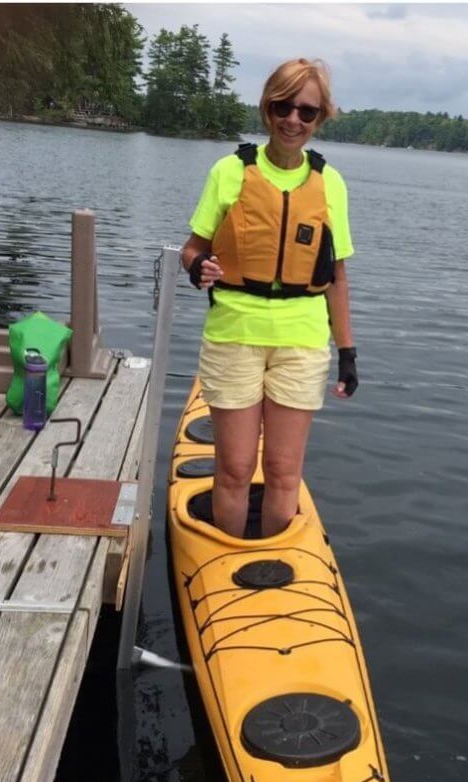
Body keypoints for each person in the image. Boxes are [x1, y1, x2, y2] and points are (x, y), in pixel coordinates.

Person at [181, 58, 357, 539]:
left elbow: (337, 275)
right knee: (235, 470)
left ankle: (272, 561)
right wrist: (198, 266)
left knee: (283, 473)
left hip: (300, 343)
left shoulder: (330, 184)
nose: (293, 120)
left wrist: (347, 353)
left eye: (307, 112)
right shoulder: (229, 171)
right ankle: (225, 556)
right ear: (267, 108)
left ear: (320, 119)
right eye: (284, 106)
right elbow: (192, 248)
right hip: (234, 335)